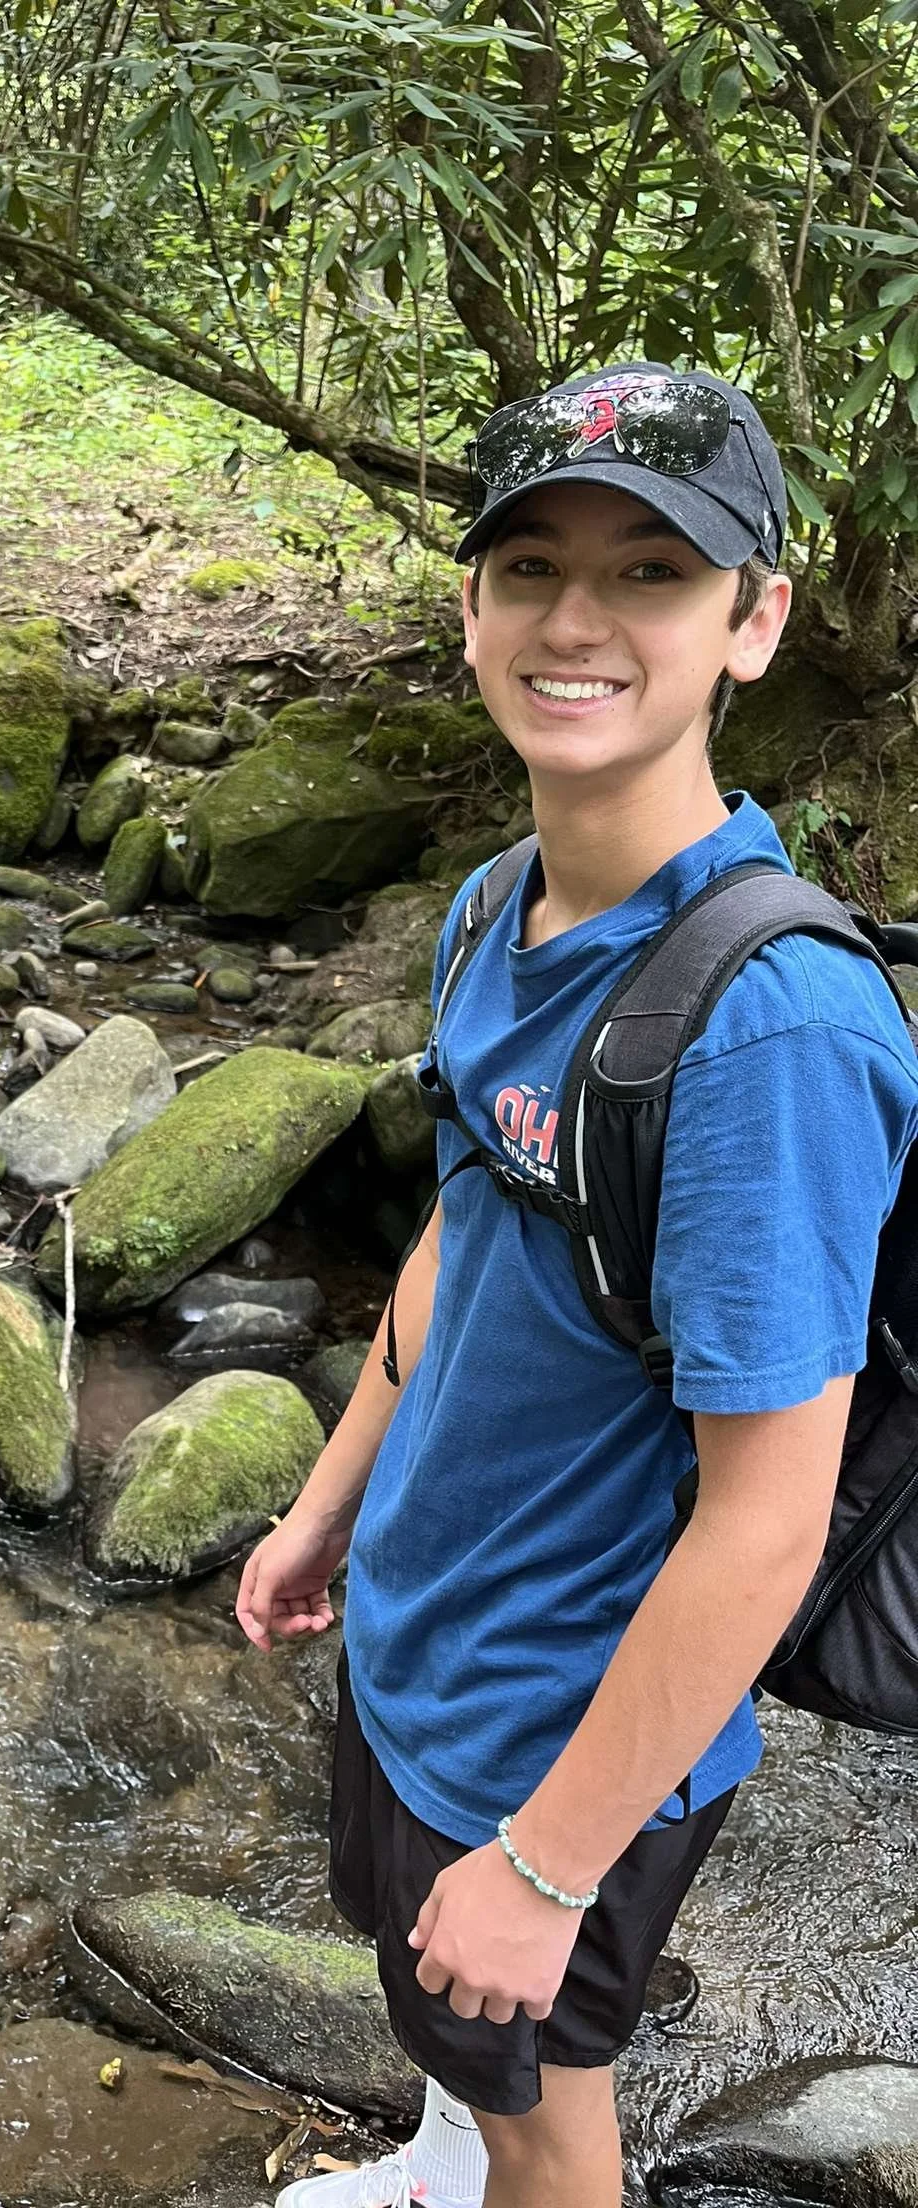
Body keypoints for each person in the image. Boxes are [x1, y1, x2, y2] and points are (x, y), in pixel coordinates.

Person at [235, 362, 918, 2208]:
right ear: (469, 607)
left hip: (569, 1723)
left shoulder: (771, 1026)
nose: (574, 621)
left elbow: (765, 1526)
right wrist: (326, 1510)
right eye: (529, 563)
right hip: (423, 1642)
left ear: (753, 622)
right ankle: (441, 2156)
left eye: (649, 574)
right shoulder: (493, 907)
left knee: (552, 2106)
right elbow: (467, 1230)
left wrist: (547, 1870)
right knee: (443, 2012)